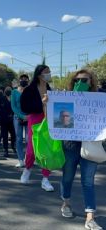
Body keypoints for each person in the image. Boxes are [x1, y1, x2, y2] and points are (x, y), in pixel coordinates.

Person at [59, 69, 103, 230]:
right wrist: (47, 104)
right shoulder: (66, 99)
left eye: (84, 80)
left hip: (91, 145)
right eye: (77, 80)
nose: (80, 83)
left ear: (91, 81)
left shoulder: (100, 100)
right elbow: (61, 122)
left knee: (88, 181)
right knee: (68, 177)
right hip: (70, 145)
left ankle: (90, 217)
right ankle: (66, 203)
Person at [20, 64, 54, 192]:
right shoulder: (30, 89)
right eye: (46, 72)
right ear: (39, 74)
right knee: (32, 149)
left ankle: (45, 179)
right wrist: (41, 103)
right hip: (35, 119)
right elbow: (24, 106)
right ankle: (27, 169)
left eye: (49, 71)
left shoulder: (50, 88)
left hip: (49, 120)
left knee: (47, 150)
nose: (49, 74)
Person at [11, 74, 29, 167]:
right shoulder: (14, 92)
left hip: (28, 117)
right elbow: (13, 106)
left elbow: (32, 104)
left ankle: (27, 159)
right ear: (19, 80)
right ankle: (20, 160)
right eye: (22, 79)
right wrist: (21, 116)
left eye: (25, 79)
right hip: (17, 118)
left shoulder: (30, 91)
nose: (23, 80)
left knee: (28, 139)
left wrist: (28, 116)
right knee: (18, 139)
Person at [0, 86, 16, 157]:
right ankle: (6, 150)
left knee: (13, 135)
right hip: (3, 121)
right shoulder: (1, 99)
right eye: (7, 90)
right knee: (5, 136)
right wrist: (1, 115)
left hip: (11, 121)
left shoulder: (13, 99)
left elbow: (15, 108)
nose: (8, 91)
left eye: (9, 90)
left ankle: (13, 146)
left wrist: (13, 115)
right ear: (5, 91)